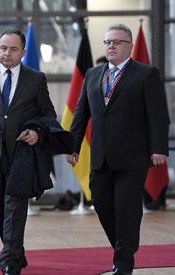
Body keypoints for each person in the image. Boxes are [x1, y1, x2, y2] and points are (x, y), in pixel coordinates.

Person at [67, 24, 169, 275]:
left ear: (129, 46)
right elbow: (80, 114)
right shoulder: (92, 74)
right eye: (107, 42)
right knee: (101, 204)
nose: (110, 46)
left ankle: (123, 262)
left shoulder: (146, 74)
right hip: (100, 157)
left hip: (133, 157)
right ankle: (123, 248)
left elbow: (158, 115)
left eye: (117, 42)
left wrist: (159, 148)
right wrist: (72, 145)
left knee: (127, 210)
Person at [0, 29, 56, 275]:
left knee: (16, 207)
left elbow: (49, 115)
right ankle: (15, 250)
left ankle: (9, 262)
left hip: (22, 156)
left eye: (13, 49)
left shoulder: (36, 78)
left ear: (23, 52)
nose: (7, 53)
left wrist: (37, 133)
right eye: (3, 48)